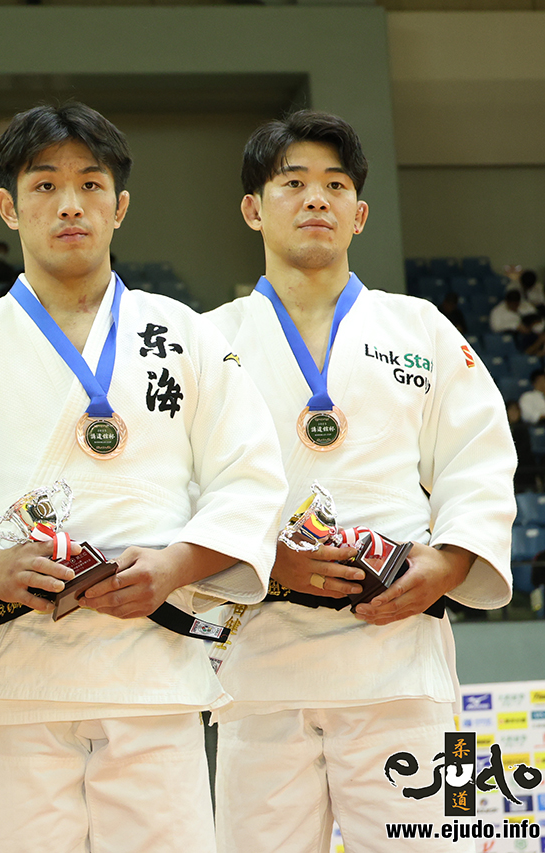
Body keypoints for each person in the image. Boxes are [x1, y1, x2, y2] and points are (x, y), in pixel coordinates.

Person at [0, 102, 288, 853]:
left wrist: (177, 563)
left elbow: (251, 477)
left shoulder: (183, 333)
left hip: (155, 673)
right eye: (44, 185)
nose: (69, 204)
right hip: (21, 676)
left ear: (119, 206)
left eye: (90, 184)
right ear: (8, 207)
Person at [205, 110, 515, 853]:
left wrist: (448, 561)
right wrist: (259, 558)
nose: (316, 198)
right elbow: (182, 487)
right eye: (293, 183)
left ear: (360, 213)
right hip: (257, 660)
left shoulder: (424, 329)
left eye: (335, 185)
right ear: (253, 208)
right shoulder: (205, 340)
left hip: (403, 658)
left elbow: (479, 459)